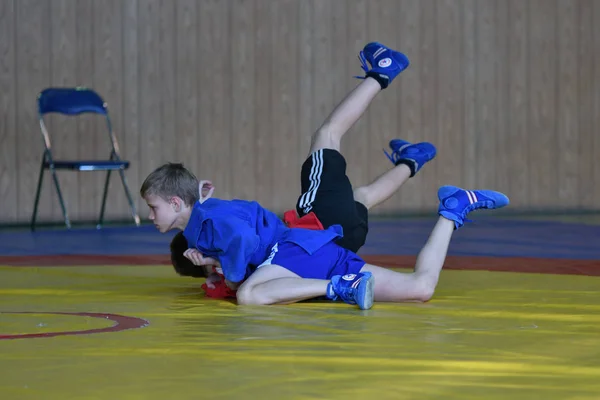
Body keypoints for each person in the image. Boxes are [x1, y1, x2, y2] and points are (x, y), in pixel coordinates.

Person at [141, 42, 509, 310]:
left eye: (153, 207)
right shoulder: (206, 220)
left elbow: (236, 234)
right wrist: (213, 257)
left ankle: (382, 77)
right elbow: (231, 224)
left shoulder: (209, 225)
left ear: (175, 201)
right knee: (418, 284)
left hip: (304, 245)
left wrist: (227, 273)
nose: (150, 215)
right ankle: (449, 206)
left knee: (333, 150)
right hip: (314, 245)